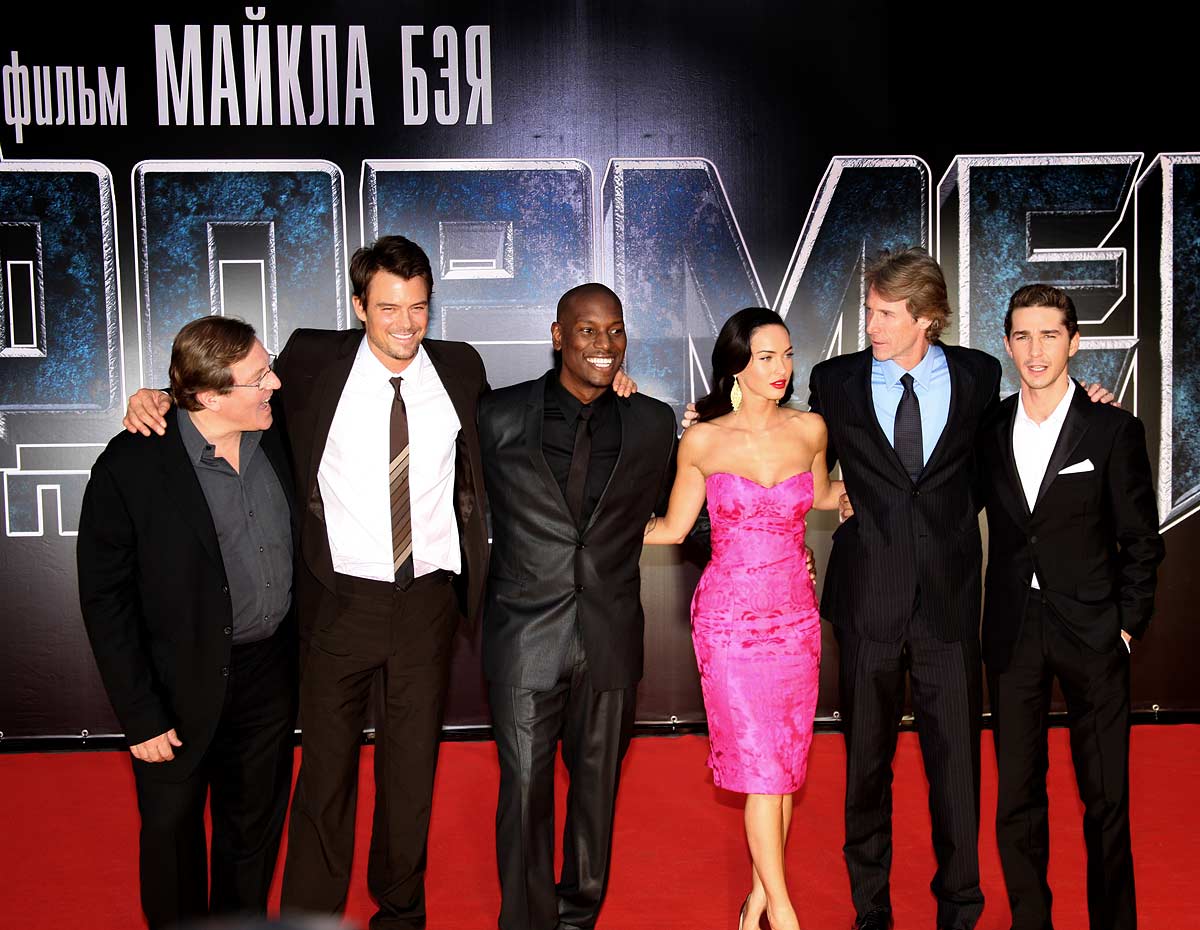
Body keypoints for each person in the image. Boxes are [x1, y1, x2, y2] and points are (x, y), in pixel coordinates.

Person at [122, 235, 490, 930]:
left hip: (428, 602)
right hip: (339, 602)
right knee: (324, 776)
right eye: (388, 307)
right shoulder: (310, 359)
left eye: (418, 306)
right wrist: (158, 398)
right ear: (359, 306)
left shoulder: (461, 367)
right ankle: (310, 919)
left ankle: (400, 914)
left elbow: (513, 430)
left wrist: (614, 390)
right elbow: (227, 391)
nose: (406, 323)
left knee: (411, 774)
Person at [78, 316, 298, 929]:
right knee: (172, 839)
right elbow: (105, 598)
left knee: (251, 836)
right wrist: (139, 714)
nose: (275, 383)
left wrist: (159, 391)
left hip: (268, 676)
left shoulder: (276, 431)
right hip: (174, 688)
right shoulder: (131, 465)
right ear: (208, 397)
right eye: (259, 377)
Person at [478, 283, 678, 930]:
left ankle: (577, 919)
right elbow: (458, 506)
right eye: (588, 330)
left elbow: (684, 508)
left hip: (610, 636)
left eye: (615, 330)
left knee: (595, 797)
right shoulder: (496, 415)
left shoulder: (652, 422)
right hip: (523, 635)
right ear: (558, 335)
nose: (603, 343)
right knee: (523, 795)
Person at [645, 307, 840, 930]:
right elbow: (673, 529)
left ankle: (758, 897)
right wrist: (595, 528)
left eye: (788, 355)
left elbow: (825, 496)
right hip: (730, 623)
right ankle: (784, 912)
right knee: (761, 768)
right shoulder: (703, 439)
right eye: (766, 357)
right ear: (736, 364)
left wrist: (892, 488)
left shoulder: (811, 429)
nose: (782, 368)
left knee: (783, 767)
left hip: (796, 618)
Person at [979, 284, 1164, 930]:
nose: (1036, 350)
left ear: (1075, 342)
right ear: (1007, 345)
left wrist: (1127, 626)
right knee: (1017, 797)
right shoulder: (987, 429)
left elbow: (1141, 538)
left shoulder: (1112, 427)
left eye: (1050, 335)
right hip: (1013, 630)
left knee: (1106, 796)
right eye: (1023, 336)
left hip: (1093, 631)